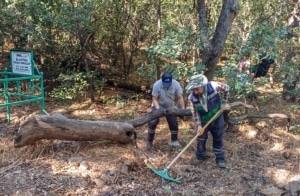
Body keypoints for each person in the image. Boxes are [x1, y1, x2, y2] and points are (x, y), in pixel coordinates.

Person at [186, 74, 230, 168]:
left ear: (203, 85)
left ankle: (220, 160)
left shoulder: (214, 86)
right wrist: (198, 126)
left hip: (217, 117)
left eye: (197, 88)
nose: (195, 91)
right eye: (193, 89)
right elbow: (195, 112)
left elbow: (227, 88)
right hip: (204, 121)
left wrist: (224, 103)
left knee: (218, 138)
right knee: (201, 139)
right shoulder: (192, 97)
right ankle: (200, 157)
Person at [146, 72, 185, 150]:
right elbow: (154, 99)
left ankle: (174, 140)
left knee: (173, 122)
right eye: (165, 83)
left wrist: (183, 109)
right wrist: (158, 110)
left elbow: (180, 97)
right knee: (153, 122)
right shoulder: (157, 85)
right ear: (162, 80)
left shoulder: (176, 84)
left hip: (170, 106)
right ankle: (149, 141)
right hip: (158, 105)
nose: (167, 85)